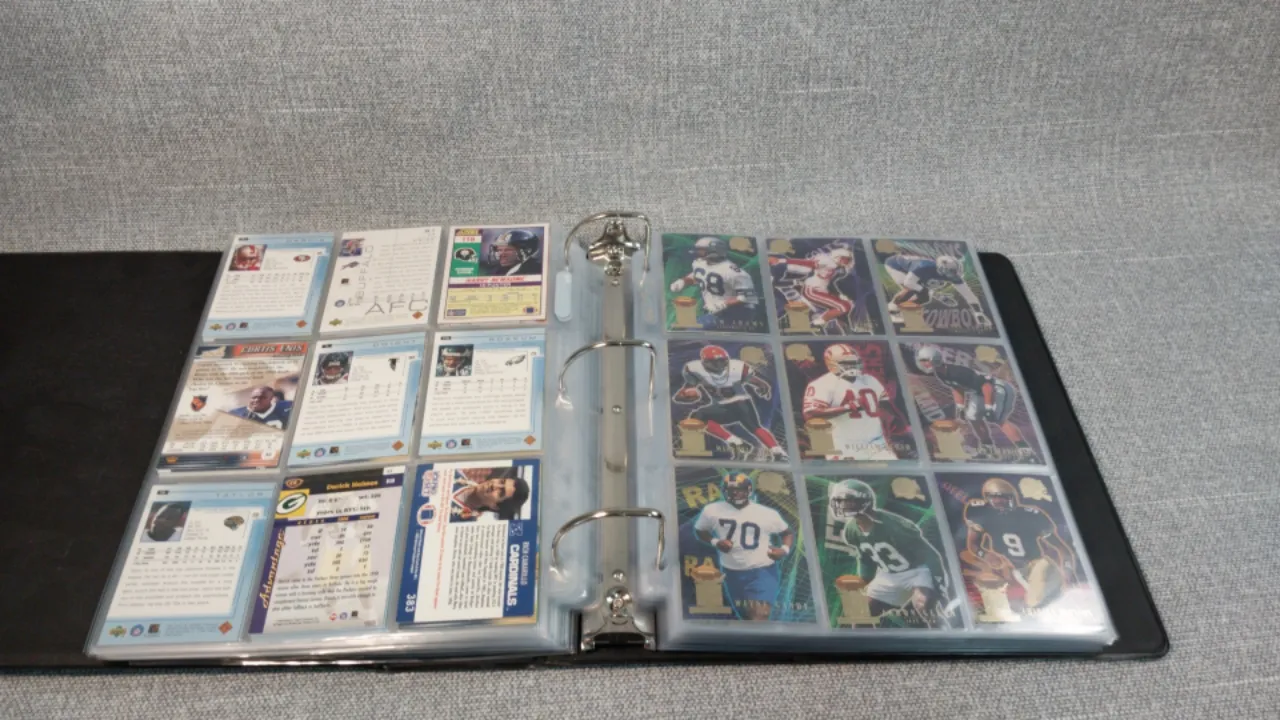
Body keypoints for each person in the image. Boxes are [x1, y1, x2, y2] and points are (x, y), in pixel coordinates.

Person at [829, 478, 948, 626]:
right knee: (860, 614)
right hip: (889, 574)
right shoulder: (851, 530)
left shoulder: (893, 526)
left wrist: (938, 583)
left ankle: (945, 633)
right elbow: (866, 557)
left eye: (847, 500)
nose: (842, 505)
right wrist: (864, 580)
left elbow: (929, 554)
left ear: (863, 501)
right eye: (840, 501)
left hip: (917, 570)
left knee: (922, 604)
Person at [961, 477, 1079, 608]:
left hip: (1036, 563)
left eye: (1004, 498)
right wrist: (985, 555)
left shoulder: (1031, 516)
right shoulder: (979, 513)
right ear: (988, 499)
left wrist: (1068, 571)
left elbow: (1060, 547)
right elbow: (973, 544)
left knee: (1039, 594)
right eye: (996, 499)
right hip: (1013, 570)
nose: (1001, 503)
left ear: (1013, 498)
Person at [693, 472, 793, 621]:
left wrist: (784, 549)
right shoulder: (712, 510)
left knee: (759, 615)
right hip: (732, 572)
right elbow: (700, 530)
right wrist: (715, 541)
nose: (735, 493)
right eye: (731, 490)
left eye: (739, 489)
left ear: (748, 490)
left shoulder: (767, 513)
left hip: (762, 570)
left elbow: (787, 533)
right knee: (746, 617)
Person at [915, 345, 1038, 462]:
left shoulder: (957, 372)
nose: (923, 363)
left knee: (998, 419)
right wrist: (960, 407)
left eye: (925, 360)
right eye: (922, 360)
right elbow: (957, 388)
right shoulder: (941, 373)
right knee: (973, 418)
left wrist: (989, 407)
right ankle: (988, 448)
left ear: (935, 358)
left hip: (996, 388)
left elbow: (986, 385)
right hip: (979, 392)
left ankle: (1027, 453)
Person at [673, 345, 787, 461]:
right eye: (714, 362)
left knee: (699, 416)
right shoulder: (696, 370)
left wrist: (763, 386)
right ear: (704, 362)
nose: (718, 365)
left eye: (721, 361)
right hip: (731, 406)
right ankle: (777, 451)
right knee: (755, 428)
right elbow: (683, 393)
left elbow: (758, 382)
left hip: (740, 403)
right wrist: (685, 396)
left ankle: (738, 443)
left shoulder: (737, 368)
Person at [802, 344, 898, 460]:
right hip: (843, 445)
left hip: (875, 442)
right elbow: (810, 414)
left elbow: (886, 409)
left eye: (854, 362)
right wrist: (848, 407)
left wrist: (888, 434)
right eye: (846, 363)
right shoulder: (822, 384)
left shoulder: (870, 380)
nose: (852, 366)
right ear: (832, 364)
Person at [669, 237, 761, 329]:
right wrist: (683, 281)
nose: (697, 252)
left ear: (714, 251)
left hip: (738, 313)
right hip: (716, 311)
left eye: (701, 250)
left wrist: (724, 304)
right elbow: (698, 275)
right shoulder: (699, 263)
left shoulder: (732, 271)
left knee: (694, 330)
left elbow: (748, 296)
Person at [883, 252, 990, 330]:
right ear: (941, 269)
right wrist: (938, 295)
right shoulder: (923, 267)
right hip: (895, 265)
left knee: (925, 297)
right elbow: (908, 283)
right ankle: (891, 309)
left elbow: (968, 294)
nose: (953, 276)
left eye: (954, 273)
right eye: (951, 272)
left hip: (912, 270)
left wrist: (978, 313)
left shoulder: (949, 274)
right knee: (912, 289)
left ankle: (903, 310)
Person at [451, 468, 530, 522]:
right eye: (501, 481)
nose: (494, 485)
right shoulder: (455, 473)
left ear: (494, 506)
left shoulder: (464, 522)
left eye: (501, 492)